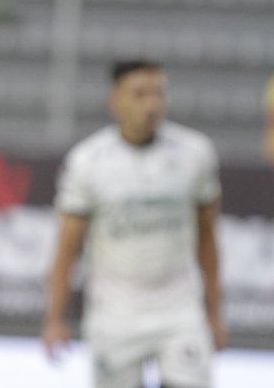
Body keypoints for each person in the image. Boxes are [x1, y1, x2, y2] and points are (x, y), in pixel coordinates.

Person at [42, 59, 225, 388]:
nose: (151, 104)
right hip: (115, 317)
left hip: (179, 312)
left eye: (158, 94)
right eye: (139, 94)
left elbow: (207, 237)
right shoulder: (87, 161)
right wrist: (54, 319)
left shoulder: (195, 154)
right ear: (115, 102)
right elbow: (68, 248)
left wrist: (214, 311)